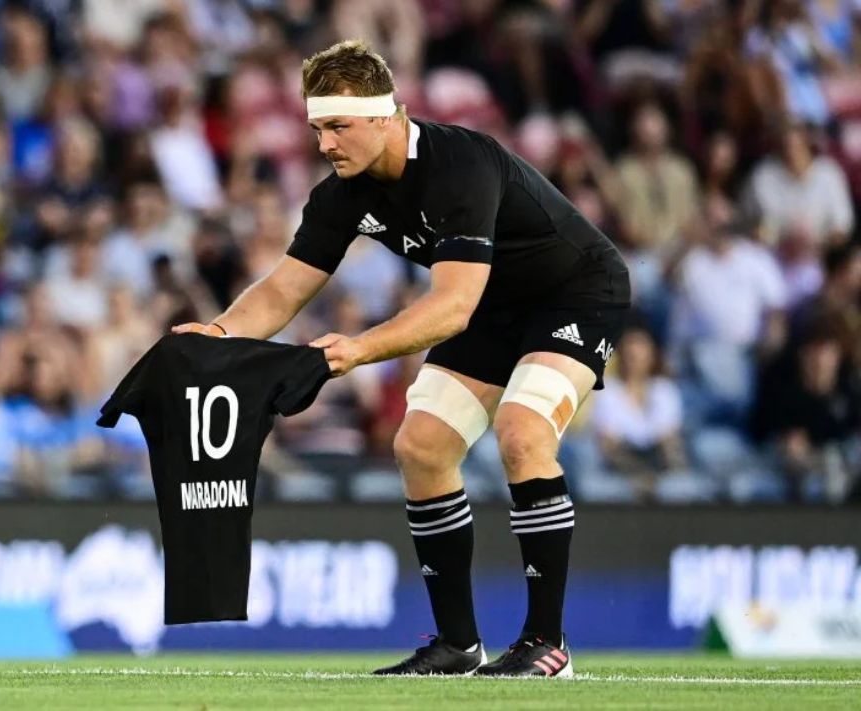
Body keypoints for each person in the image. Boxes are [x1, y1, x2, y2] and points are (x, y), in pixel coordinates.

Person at [173, 40, 630, 677]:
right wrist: (215, 335)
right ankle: (457, 645)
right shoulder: (342, 195)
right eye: (317, 128)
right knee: (420, 447)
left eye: (338, 127)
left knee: (523, 432)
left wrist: (358, 349)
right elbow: (282, 289)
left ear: (388, 116)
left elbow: (452, 308)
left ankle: (547, 642)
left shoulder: (460, 162)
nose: (325, 144)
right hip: (490, 304)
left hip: (575, 290)